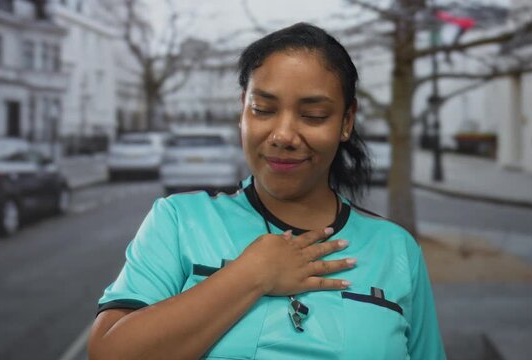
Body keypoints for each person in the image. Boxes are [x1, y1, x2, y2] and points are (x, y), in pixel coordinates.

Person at [88, 23, 446, 360]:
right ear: (243, 110)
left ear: (346, 121)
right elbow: (109, 352)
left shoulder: (396, 249)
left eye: (314, 115)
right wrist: (251, 274)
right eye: (263, 109)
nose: (283, 136)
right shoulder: (180, 222)